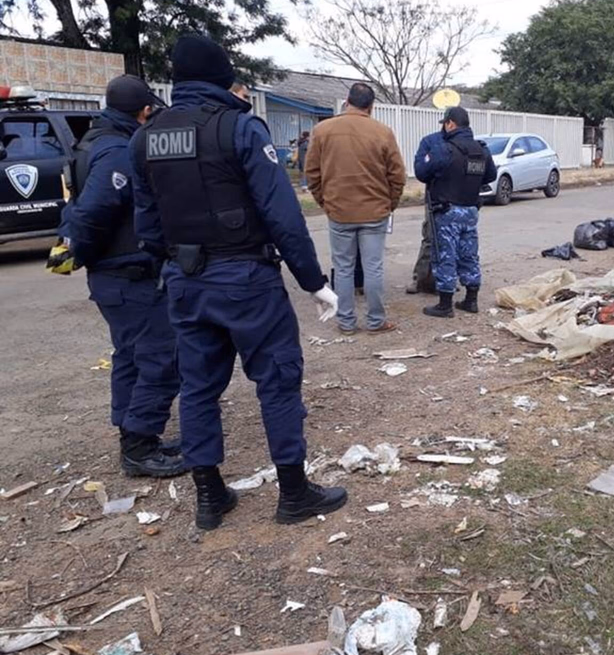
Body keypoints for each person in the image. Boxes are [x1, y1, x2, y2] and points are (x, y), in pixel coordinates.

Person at [129, 34, 345, 531]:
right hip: (246, 279)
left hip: (184, 281)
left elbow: (147, 223)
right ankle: (293, 492)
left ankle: (210, 496)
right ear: (222, 76)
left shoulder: (145, 138)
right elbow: (282, 215)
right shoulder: (240, 129)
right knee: (277, 381)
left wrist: (175, 267)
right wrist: (313, 281)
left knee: (199, 388)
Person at [58, 75, 186, 478]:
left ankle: (134, 434)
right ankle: (138, 445)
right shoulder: (116, 150)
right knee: (163, 358)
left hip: (116, 275)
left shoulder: (92, 141)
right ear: (143, 110)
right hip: (128, 274)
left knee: (130, 357)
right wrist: (78, 252)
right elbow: (93, 211)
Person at [307, 82, 405, 334]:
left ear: (347, 101)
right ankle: (375, 321)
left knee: (343, 268)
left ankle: (346, 322)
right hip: (375, 211)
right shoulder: (382, 132)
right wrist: (389, 203)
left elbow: (313, 174)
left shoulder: (322, 130)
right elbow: (397, 175)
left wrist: (325, 202)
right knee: (373, 267)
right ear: (371, 107)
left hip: (339, 211)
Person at [413, 106, 496, 318]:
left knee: (445, 255)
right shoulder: (481, 150)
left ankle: (445, 304)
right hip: (470, 210)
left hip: (447, 210)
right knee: (469, 254)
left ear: (450, 123)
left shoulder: (444, 149)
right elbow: (490, 175)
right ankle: (471, 300)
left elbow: (421, 172)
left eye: (445, 123)